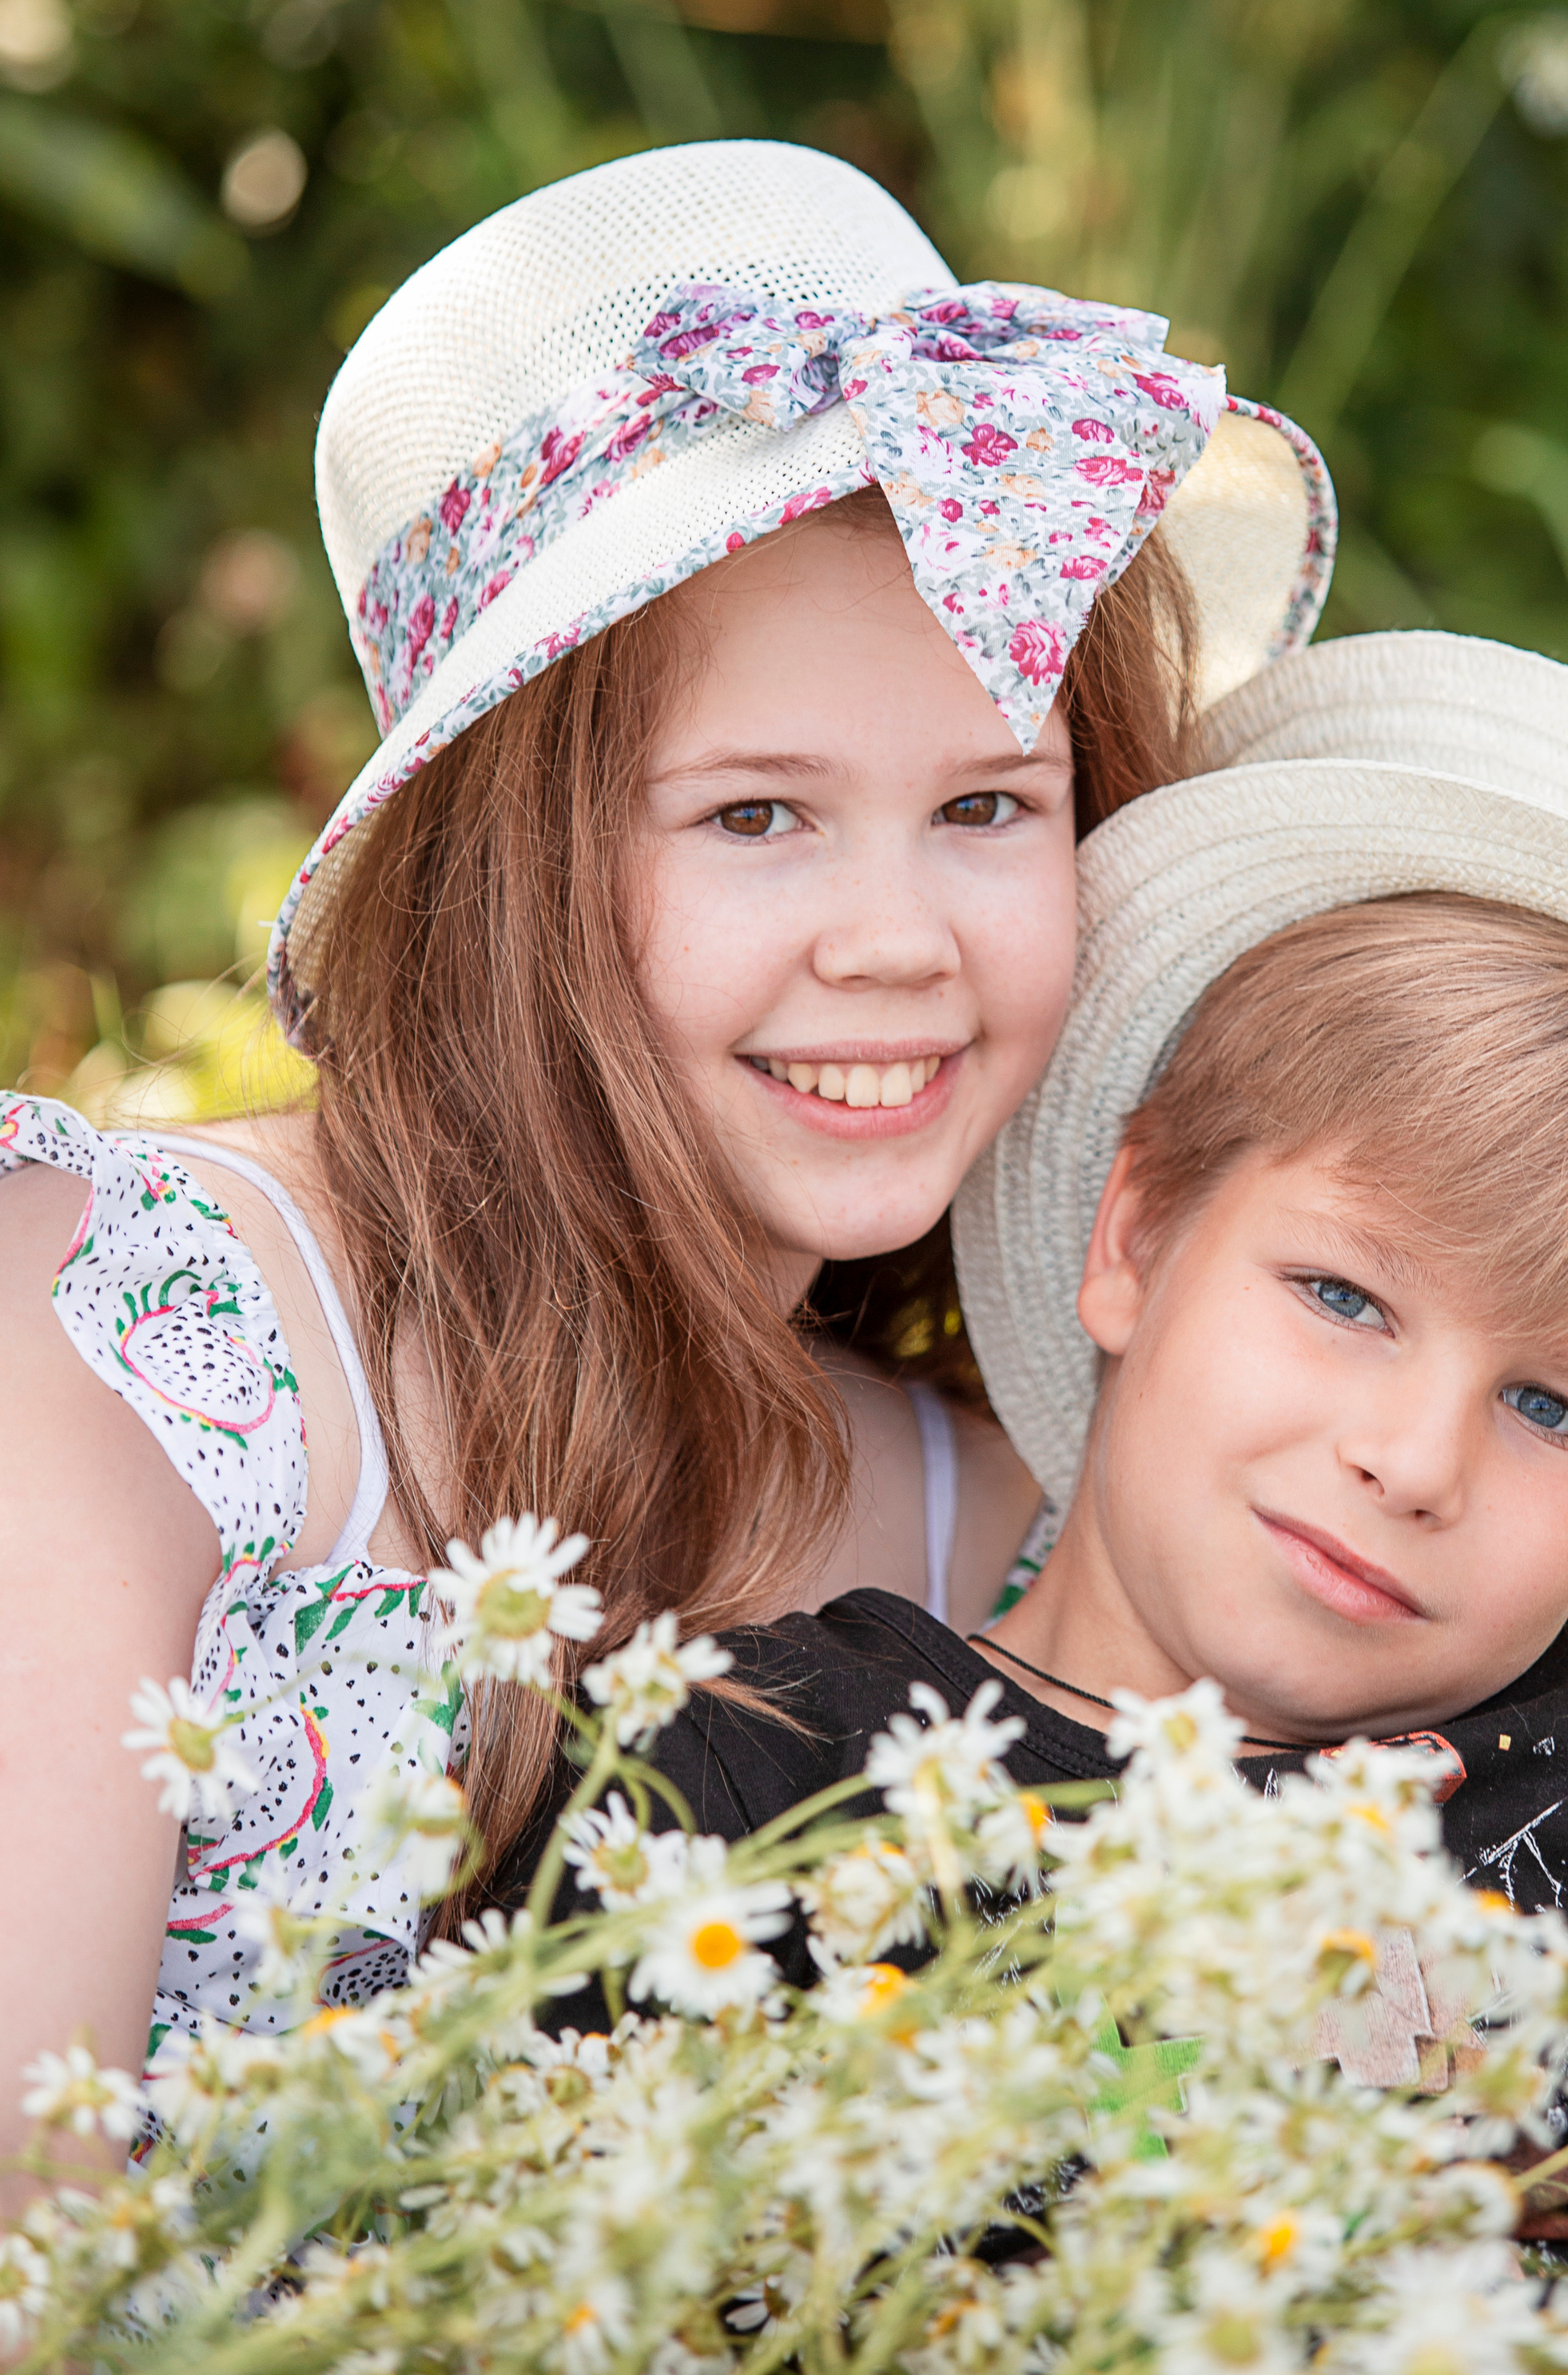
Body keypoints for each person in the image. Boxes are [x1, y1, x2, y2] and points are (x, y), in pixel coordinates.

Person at [0, 133, 1336, 2183]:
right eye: (752, 816)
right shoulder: (128, 1343)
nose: (894, 941)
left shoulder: (995, 1520)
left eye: (988, 805)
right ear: (501, 878)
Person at [509, 632, 1568, 2365]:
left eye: (1554, 1409)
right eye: (1343, 1298)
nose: (1413, 1463)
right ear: (1135, 1234)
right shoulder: (756, 1771)